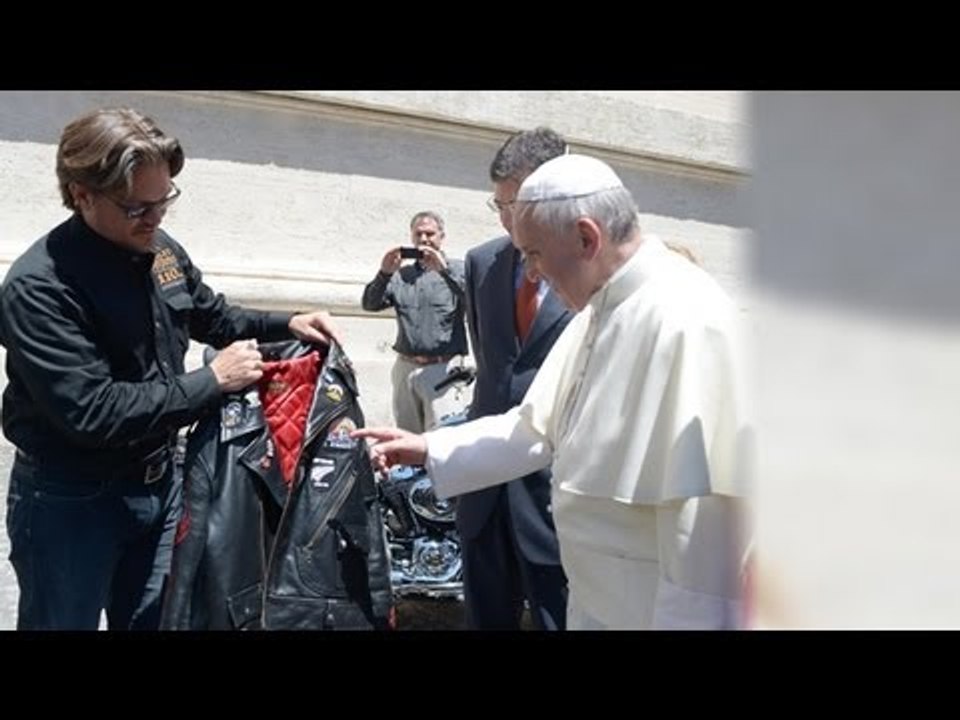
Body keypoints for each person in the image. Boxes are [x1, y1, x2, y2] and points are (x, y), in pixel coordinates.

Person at [355, 154, 750, 630]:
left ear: (587, 237)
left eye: (535, 253)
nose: (532, 274)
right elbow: (536, 428)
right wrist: (426, 447)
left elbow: (702, 538)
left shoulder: (688, 319)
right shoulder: (600, 308)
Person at [0, 107, 343, 630]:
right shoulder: (40, 288)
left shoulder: (159, 250)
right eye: (138, 207)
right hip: (71, 501)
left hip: (161, 489)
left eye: (165, 201)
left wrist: (289, 322)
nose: (156, 218)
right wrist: (212, 382)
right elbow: (93, 412)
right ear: (82, 194)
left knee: (158, 622)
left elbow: (215, 315)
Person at [458, 128, 571, 630]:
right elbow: (493, 366)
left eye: (517, 203)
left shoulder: (590, 267)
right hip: (485, 494)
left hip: (555, 496)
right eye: (498, 204)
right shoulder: (482, 263)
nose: (507, 219)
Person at [362, 211, 469, 432]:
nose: (423, 239)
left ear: (442, 237)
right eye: (418, 234)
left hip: (443, 369)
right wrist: (383, 273)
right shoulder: (401, 275)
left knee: (444, 439)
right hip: (405, 367)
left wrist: (444, 271)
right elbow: (370, 304)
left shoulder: (458, 269)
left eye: (430, 233)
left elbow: (473, 301)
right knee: (406, 437)